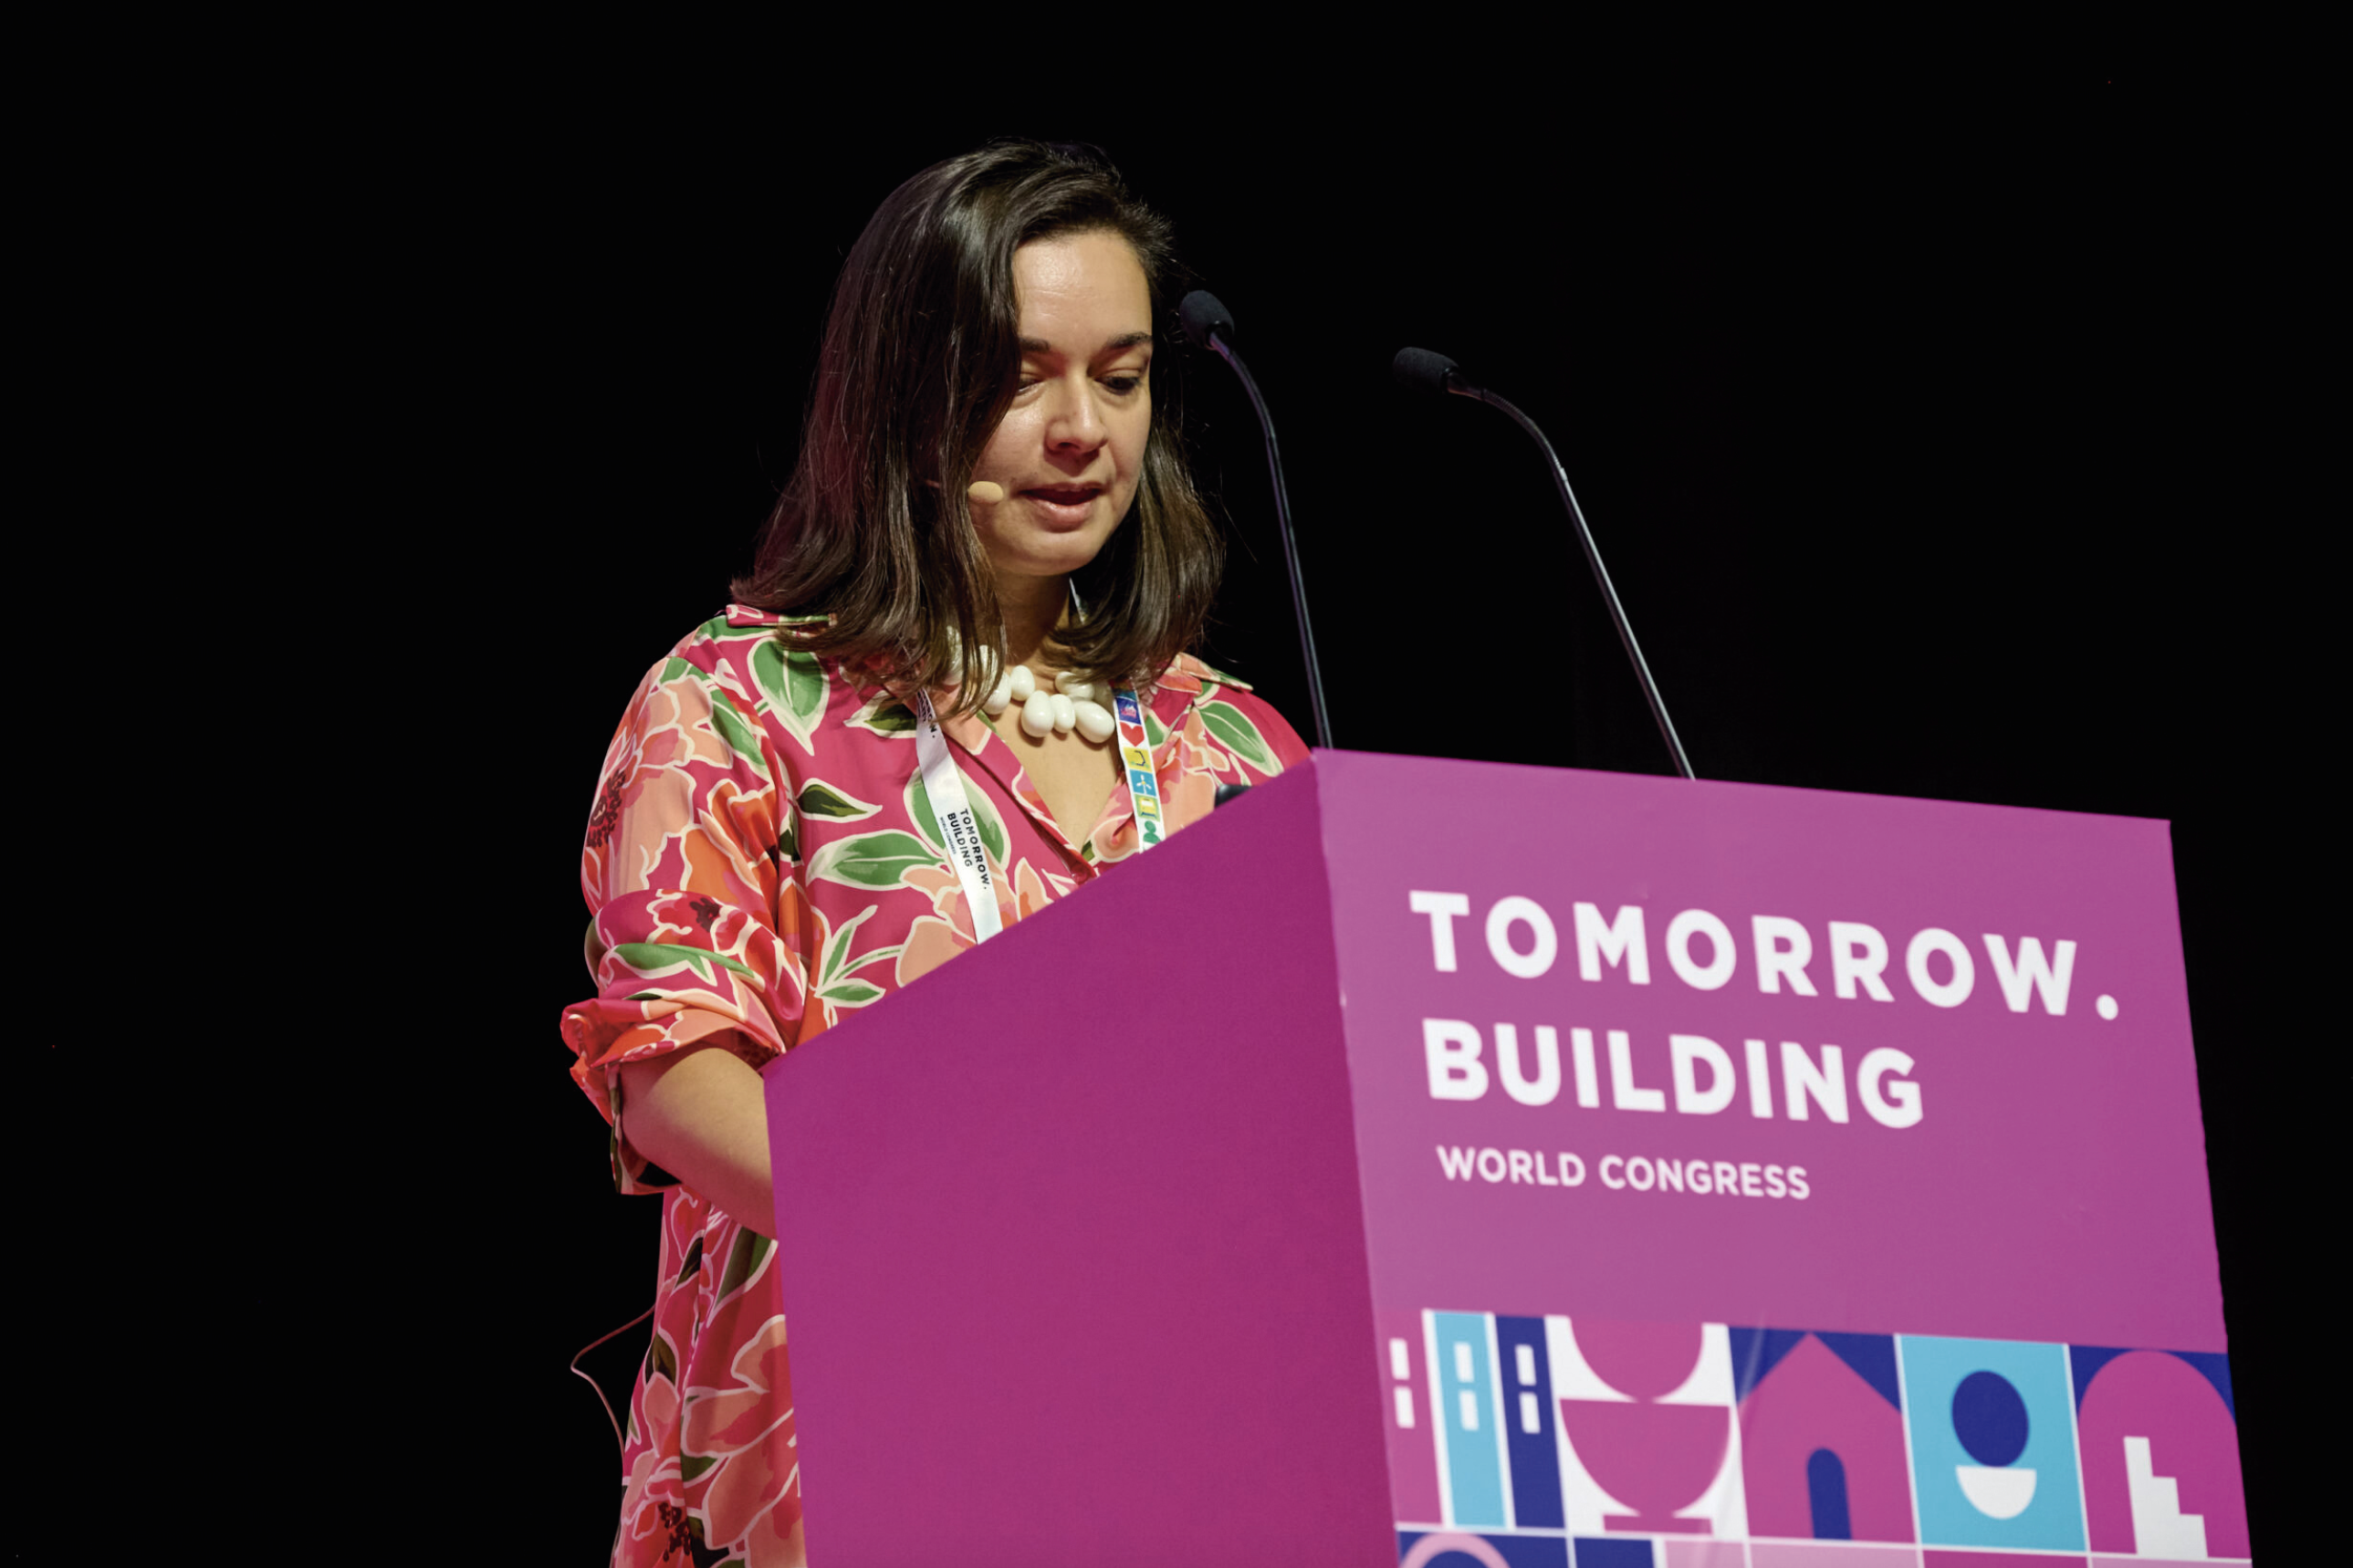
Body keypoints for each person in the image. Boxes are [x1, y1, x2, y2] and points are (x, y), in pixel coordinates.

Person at [559, 141, 1310, 1568]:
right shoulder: (736, 703)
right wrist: (981, 1238)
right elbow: (673, 1073)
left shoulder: (1232, 746)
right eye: (1022, 377)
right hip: (835, 1466)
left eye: (1121, 377)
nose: (1082, 429)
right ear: (902, 389)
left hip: (1175, 1456)